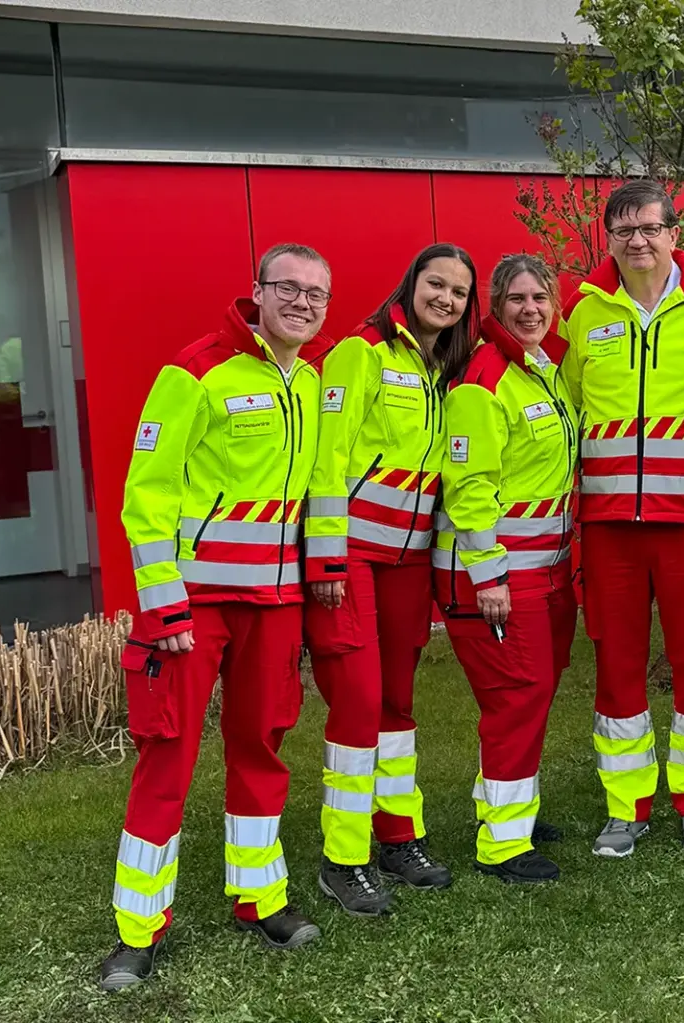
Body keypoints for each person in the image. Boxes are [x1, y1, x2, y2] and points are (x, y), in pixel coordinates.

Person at [99, 243, 330, 992]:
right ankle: (138, 931)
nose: (302, 302)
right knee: (167, 756)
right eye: (288, 288)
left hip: (273, 603)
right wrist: (162, 602)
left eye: (316, 293)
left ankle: (261, 898)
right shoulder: (194, 371)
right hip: (192, 607)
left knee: (261, 748)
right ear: (256, 292)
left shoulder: (310, 378)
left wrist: (317, 572)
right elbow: (149, 490)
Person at [559, 180, 684, 858]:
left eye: (649, 227)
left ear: (675, 232)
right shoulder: (582, 313)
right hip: (610, 525)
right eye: (623, 230)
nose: (637, 240)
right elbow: (571, 403)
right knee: (616, 662)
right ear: (608, 238)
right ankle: (626, 804)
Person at [300, 244, 477, 916]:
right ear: (411, 284)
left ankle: (397, 835)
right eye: (437, 284)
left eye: (459, 292)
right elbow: (327, 458)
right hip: (354, 560)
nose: (447, 299)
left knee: (397, 703)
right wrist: (326, 557)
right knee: (357, 701)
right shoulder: (362, 352)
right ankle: (343, 858)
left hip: (408, 563)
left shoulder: (445, 370)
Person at [434, 254, 578, 884]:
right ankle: (502, 844)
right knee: (516, 697)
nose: (531, 310)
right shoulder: (484, 379)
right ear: (495, 305)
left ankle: (511, 805)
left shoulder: (540, 371)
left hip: (543, 570)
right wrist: (488, 575)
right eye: (517, 299)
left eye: (542, 299)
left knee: (534, 691)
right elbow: (468, 487)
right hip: (493, 577)